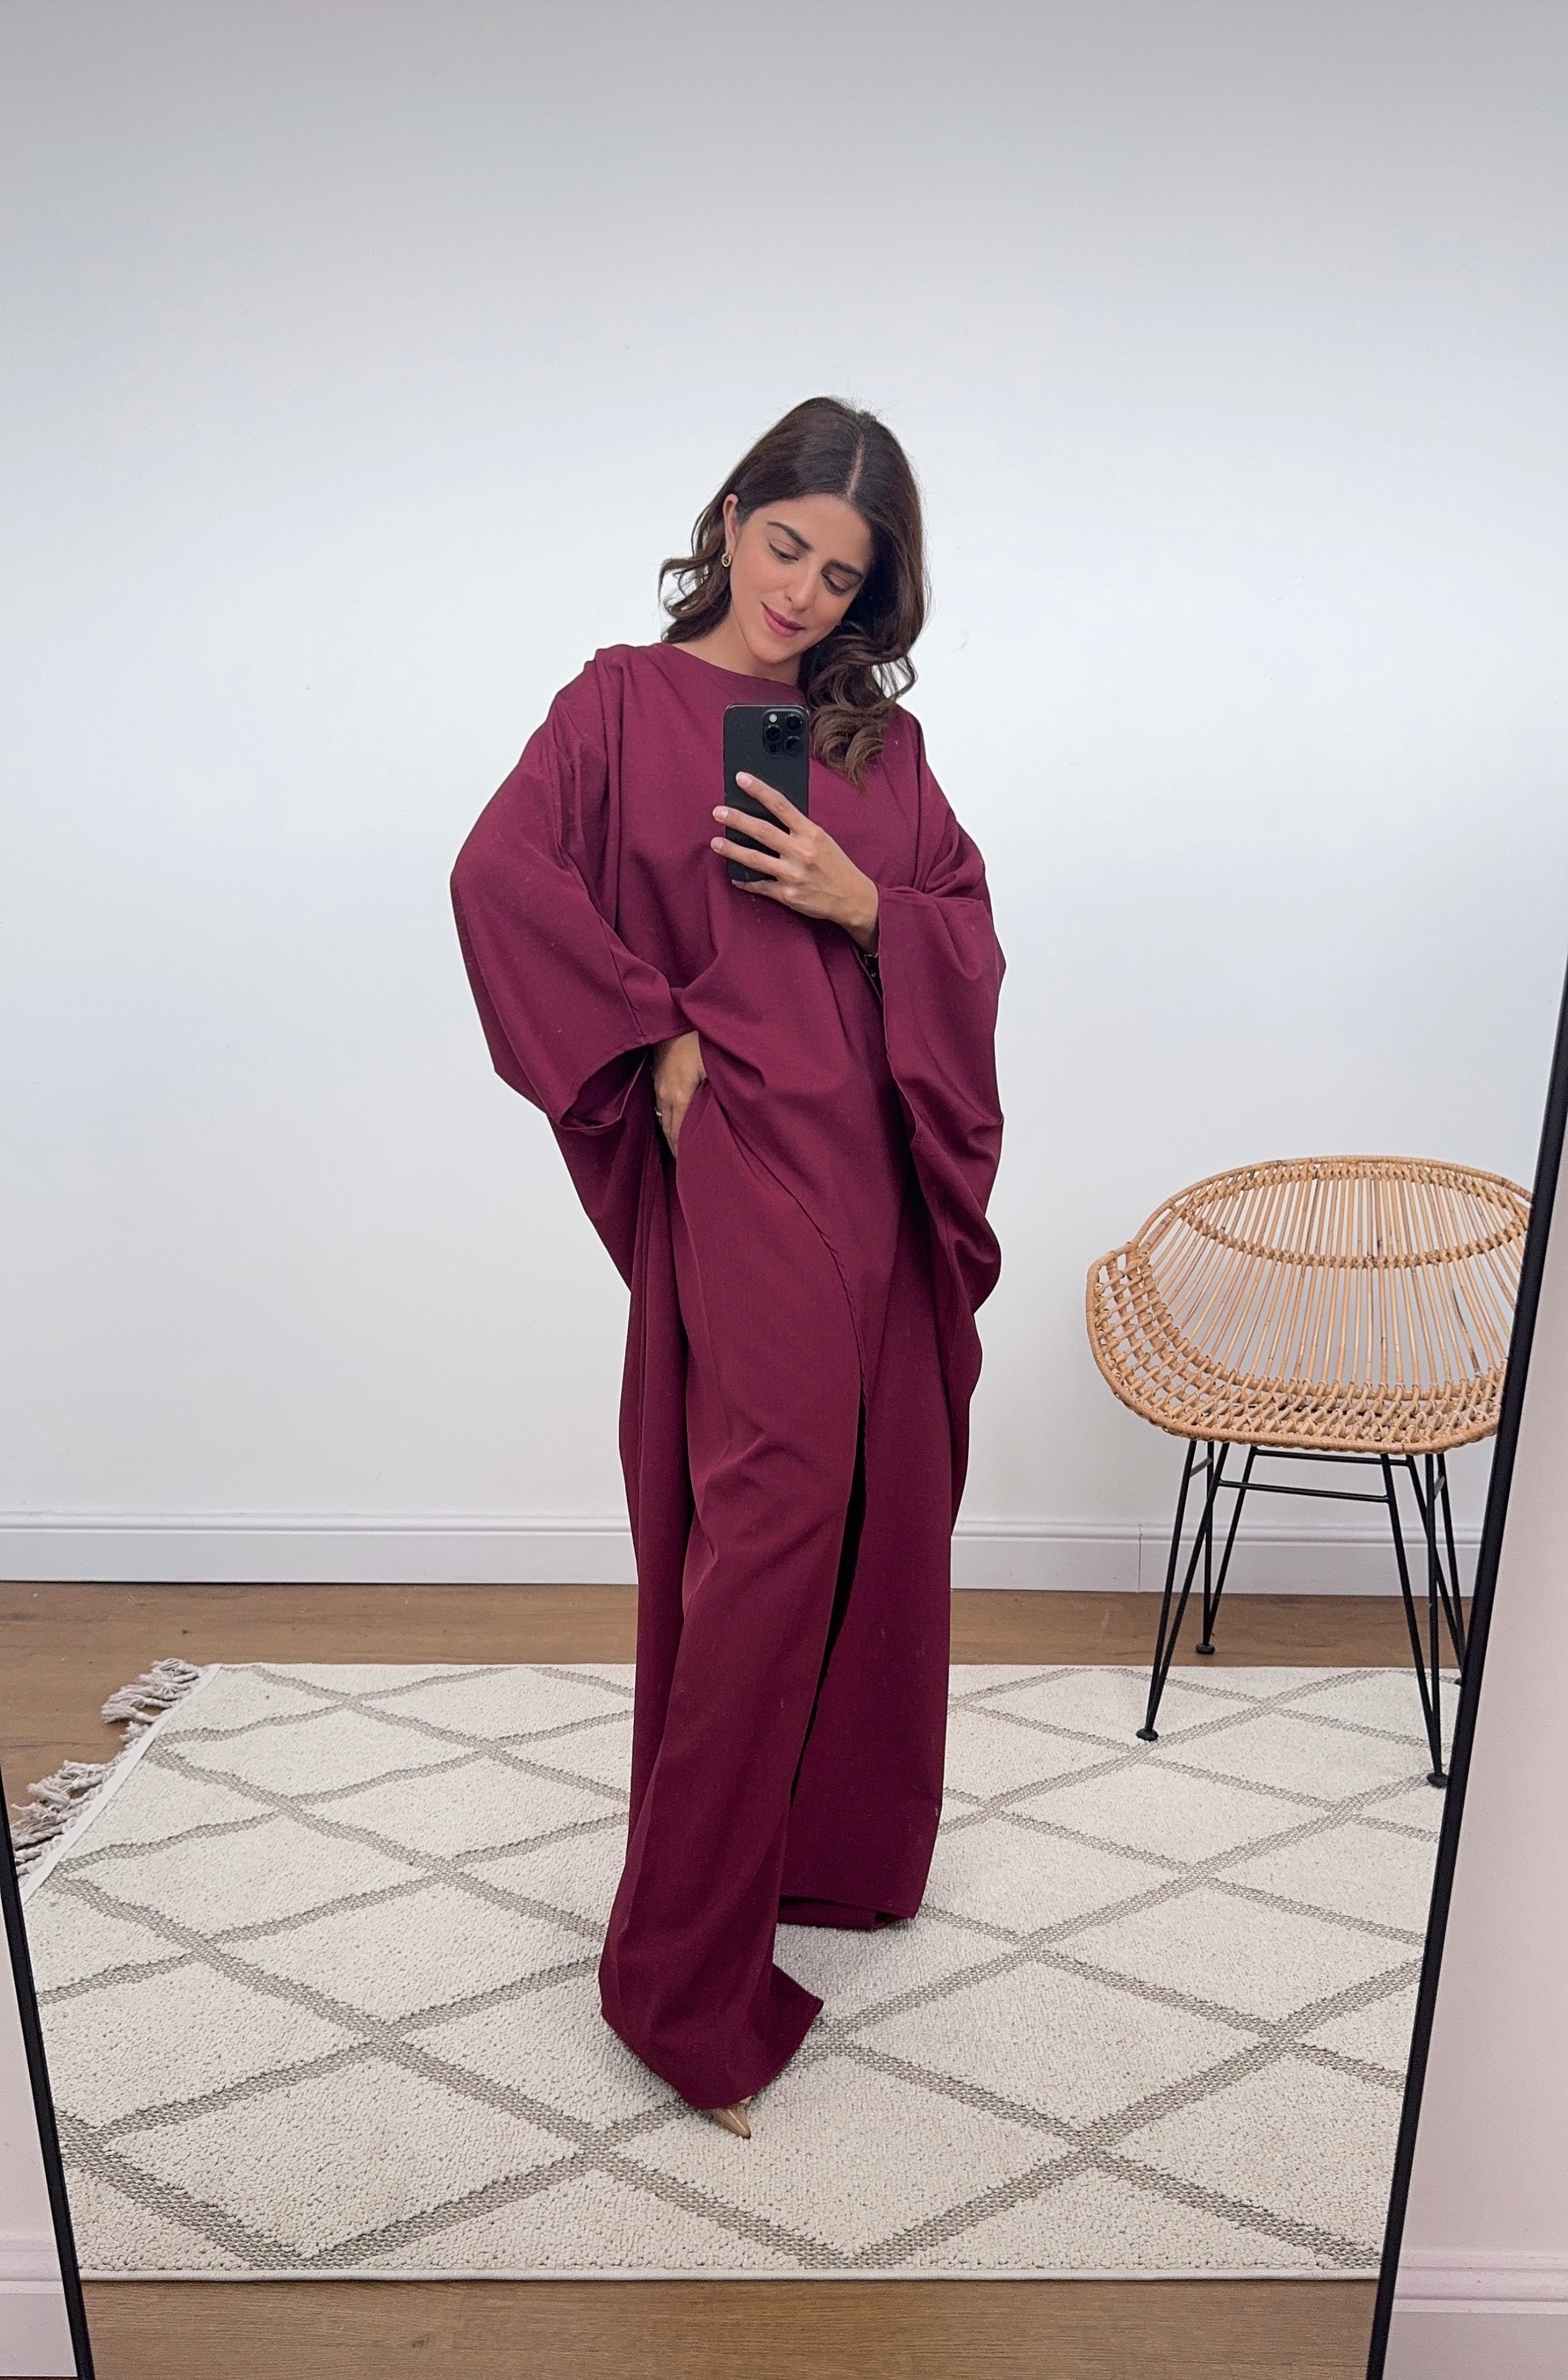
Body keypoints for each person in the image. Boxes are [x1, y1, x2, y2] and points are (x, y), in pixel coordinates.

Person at [451, 397, 1004, 2137]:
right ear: (733, 513)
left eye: (843, 578)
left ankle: (824, 1857)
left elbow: (967, 930)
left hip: (882, 1173)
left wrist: (863, 902)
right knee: (767, 1527)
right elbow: (495, 878)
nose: (802, 596)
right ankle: (676, 1978)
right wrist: (654, 1043)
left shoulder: (876, 751)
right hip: (749, 1165)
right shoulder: (616, 706)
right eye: (786, 547)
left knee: (880, 1511)